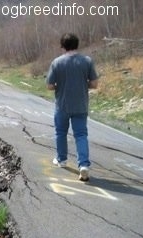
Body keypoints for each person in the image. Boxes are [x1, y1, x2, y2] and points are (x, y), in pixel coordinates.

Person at [46, 33, 98, 181]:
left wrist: (59, 85)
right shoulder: (87, 61)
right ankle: (83, 165)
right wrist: (82, 84)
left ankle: (61, 160)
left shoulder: (57, 62)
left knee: (61, 132)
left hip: (62, 104)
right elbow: (94, 84)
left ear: (63, 46)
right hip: (81, 105)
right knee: (81, 135)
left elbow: (49, 86)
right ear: (77, 44)